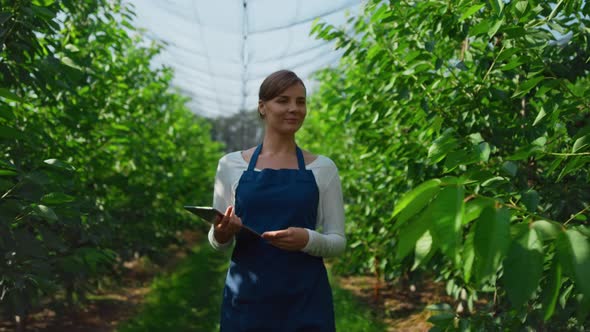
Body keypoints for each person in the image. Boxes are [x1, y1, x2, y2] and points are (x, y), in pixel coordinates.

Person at [208, 69, 346, 332]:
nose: (294, 108)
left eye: (300, 101)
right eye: (283, 100)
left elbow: (338, 241)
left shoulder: (323, 168)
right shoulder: (230, 165)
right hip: (247, 298)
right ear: (262, 107)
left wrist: (308, 240)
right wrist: (222, 233)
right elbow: (217, 243)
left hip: (305, 299)